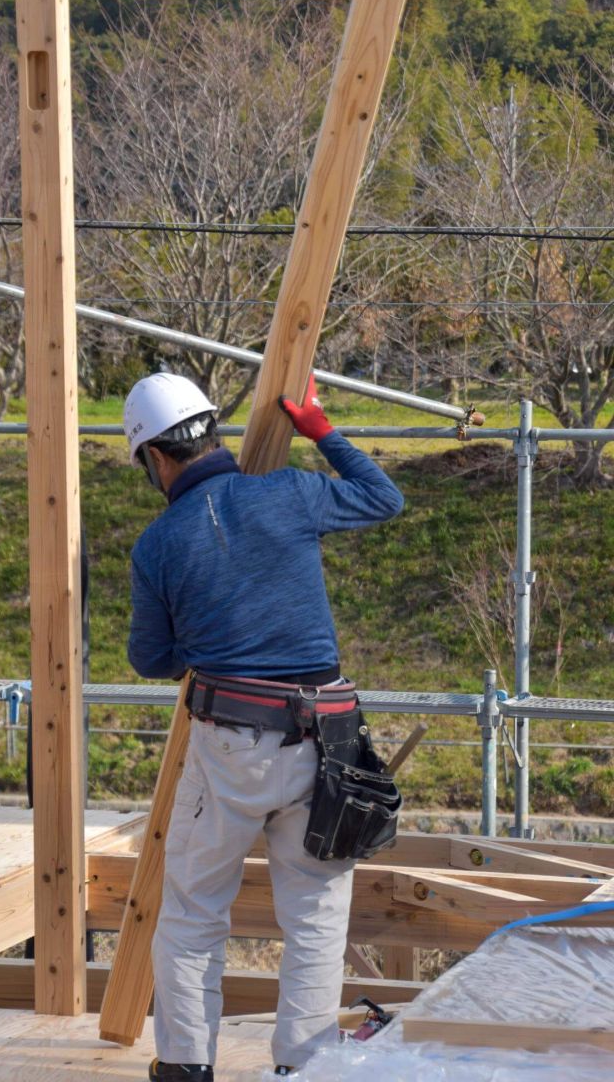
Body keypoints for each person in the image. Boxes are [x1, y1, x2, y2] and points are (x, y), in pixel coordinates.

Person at [123, 371, 405, 1082]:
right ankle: (301, 1067)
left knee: (192, 910)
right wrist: (320, 429)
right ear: (210, 432)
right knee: (314, 914)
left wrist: (208, 632)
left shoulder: (158, 545)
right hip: (326, 746)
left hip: (230, 745)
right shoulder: (289, 493)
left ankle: (187, 1067)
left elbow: (152, 659)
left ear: (155, 458)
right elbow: (384, 497)